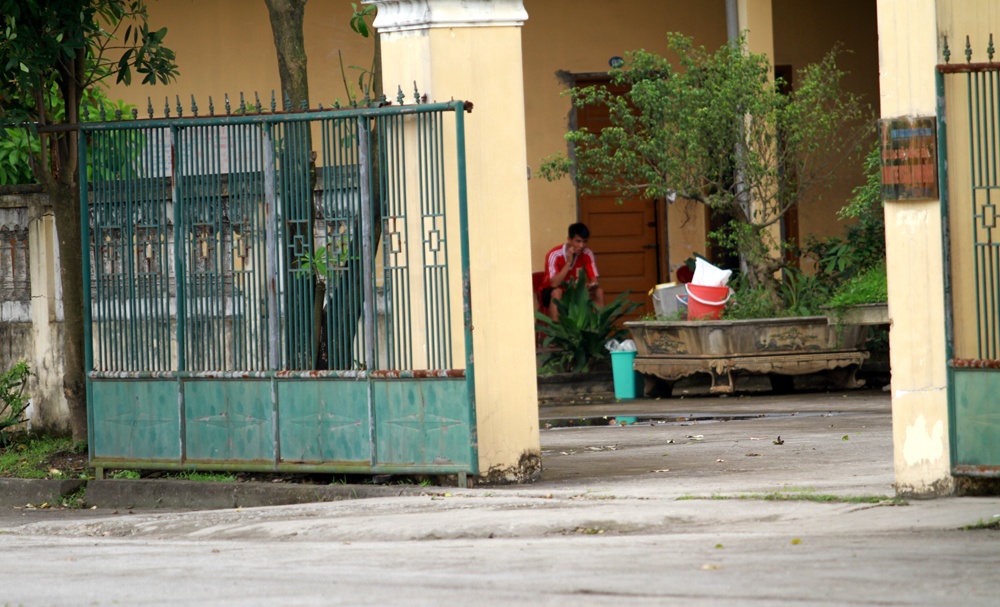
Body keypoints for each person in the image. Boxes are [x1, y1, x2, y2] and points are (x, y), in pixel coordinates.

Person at [538, 222, 604, 320]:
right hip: (551, 291)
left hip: (575, 290)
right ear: (569, 240)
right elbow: (554, 284)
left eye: (584, 242)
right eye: (578, 241)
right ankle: (557, 331)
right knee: (557, 292)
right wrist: (568, 262)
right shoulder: (554, 254)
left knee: (598, 291)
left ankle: (598, 328)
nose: (581, 246)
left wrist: (590, 285)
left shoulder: (587, 253)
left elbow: (594, 281)